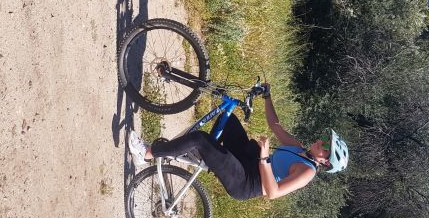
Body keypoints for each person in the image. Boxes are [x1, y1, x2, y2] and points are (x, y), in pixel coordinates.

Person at [128, 84, 348, 201]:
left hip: (246, 182)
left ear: (325, 163)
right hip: (247, 161)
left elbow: (273, 193)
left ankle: (147, 153)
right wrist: (267, 96)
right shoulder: (298, 148)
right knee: (229, 120)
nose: (322, 142)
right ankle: (201, 155)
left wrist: (264, 158)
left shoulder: (306, 173)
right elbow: (275, 125)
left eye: (326, 148)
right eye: (325, 141)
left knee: (199, 139)